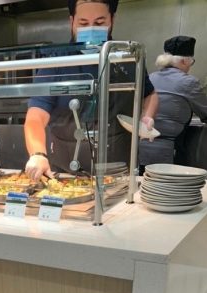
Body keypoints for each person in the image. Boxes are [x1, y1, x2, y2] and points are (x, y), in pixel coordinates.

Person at [24, 0, 158, 181]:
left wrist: (147, 116)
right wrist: (38, 153)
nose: (92, 29)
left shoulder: (127, 57)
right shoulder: (56, 61)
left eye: (100, 23)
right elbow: (35, 116)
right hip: (65, 173)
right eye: (84, 23)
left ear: (112, 20)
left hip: (119, 172)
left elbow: (150, 94)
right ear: (72, 22)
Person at [139, 35, 207, 172]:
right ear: (184, 61)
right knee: (165, 190)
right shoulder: (189, 82)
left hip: (139, 147)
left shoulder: (150, 77)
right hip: (167, 152)